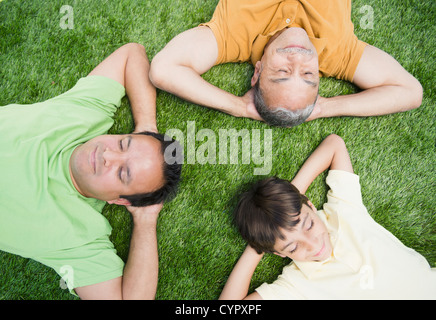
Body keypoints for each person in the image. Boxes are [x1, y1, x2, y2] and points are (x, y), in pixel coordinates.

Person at [0, 43, 182, 299]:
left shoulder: (81, 239)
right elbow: (132, 53)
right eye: (123, 143)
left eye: (123, 173)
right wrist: (146, 126)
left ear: (118, 200)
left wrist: (145, 221)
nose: (107, 155)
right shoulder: (87, 114)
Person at [220, 134, 436, 299]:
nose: (313, 245)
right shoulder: (296, 283)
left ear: (311, 206)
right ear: (278, 254)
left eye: (308, 224)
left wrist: (294, 199)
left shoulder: (343, 210)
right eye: (293, 248)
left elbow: (334, 144)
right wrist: (258, 246)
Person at [150, 0, 423, 127]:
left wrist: (238, 106)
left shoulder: (232, 37)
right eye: (308, 74)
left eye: (282, 71)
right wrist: (327, 107)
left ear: (257, 72)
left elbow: (163, 69)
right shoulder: (338, 53)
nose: (299, 58)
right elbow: (410, 92)